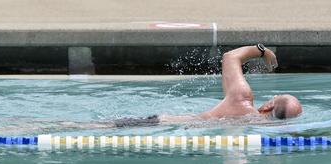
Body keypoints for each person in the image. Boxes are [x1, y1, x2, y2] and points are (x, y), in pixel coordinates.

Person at [115, 44, 302, 128]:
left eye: (274, 97)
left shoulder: (242, 100)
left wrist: (262, 51)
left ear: (269, 106)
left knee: (95, 126)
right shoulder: (256, 129)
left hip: (158, 123)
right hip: (183, 131)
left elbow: (231, 57)